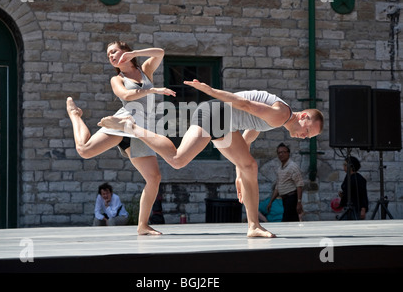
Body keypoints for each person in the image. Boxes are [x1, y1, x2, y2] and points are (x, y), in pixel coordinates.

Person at [100, 79, 324, 238]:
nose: (304, 137)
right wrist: (210, 89)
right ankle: (132, 128)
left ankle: (254, 225)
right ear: (303, 116)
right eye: (307, 131)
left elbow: (247, 141)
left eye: (309, 137)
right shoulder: (280, 114)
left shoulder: (277, 116)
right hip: (217, 114)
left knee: (189, 161)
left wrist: (239, 175)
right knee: (179, 159)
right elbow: (242, 104)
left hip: (219, 117)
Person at [66, 41, 175, 235]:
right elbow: (126, 94)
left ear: (126, 52)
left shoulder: (145, 70)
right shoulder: (117, 79)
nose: (110, 56)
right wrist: (151, 90)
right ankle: (75, 115)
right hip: (123, 123)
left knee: (154, 178)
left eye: (114, 51)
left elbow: (160, 52)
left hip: (141, 131)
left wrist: (135, 53)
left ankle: (142, 226)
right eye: (108, 54)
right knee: (84, 150)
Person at [267, 143, 304, 222]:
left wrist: (299, 202)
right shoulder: (280, 169)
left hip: (292, 198)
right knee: (291, 220)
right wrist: (271, 202)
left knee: (287, 220)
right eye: (279, 152)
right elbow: (278, 187)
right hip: (285, 199)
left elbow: (299, 185)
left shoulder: (293, 167)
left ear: (288, 153)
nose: (281, 154)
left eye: (284, 152)